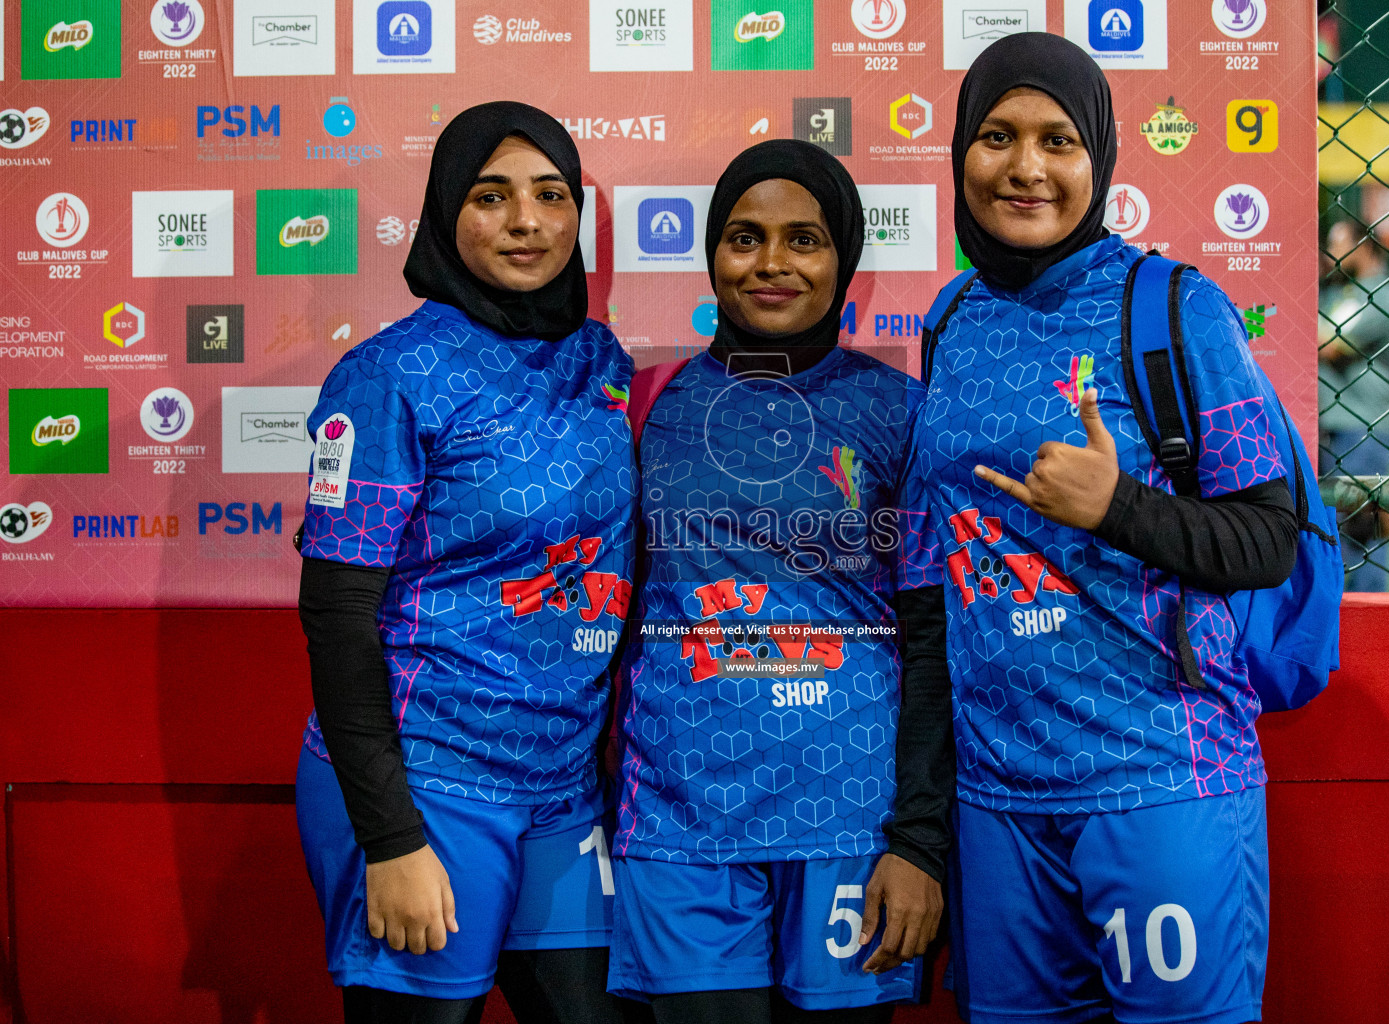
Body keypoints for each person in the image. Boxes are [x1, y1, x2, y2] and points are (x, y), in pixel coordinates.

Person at [898, 33, 1300, 1024]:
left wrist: (1117, 507)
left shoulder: (1176, 307)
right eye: (996, 136)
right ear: (960, 154)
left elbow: (1268, 536)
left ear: (1100, 160)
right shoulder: (951, 315)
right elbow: (932, 587)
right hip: (999, 800)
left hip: (1161, 776)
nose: (1026, 167)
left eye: (1058, 140)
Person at [294, 102, 643, 1024]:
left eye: (551, 195)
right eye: (492, 196)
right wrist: (391, 838)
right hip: (426, 780)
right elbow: (335, 612)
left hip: (563, 789)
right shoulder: (386, 376)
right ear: (446, 211)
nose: (527, 221)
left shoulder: (599, 359)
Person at [605, 139, 953, 1024]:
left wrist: (919, 842)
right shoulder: (646, 404)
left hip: (853, 826)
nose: (771, 263)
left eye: (804, 239)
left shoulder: (899, 412)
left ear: (843, 260)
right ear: (711, 254)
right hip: (683, 825)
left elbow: (933, 637)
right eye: (744, 237)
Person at [1319, 217, 1389, 591]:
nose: (1331, 254)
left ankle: (1373, 602)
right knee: (1335, 519)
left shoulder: (1383, 294)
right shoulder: (1339, 293)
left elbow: (1332, 344)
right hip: (1332, 423)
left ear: (1364, 246)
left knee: (1362, 521)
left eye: (1338, 244)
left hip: (1366, 423)